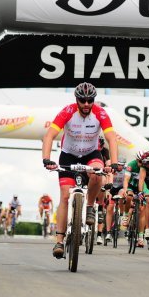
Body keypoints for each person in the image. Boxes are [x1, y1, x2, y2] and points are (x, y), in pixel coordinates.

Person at [42, 82, 120, 258]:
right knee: (64, 195)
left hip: (91, 154)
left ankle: (90, 206)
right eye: (82, 100)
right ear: (76, 99)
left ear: (94, 100)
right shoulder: (68, 111)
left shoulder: (100, 113)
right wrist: (46, 159)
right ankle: (59, 241)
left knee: (97, 172)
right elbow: (49, 135)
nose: (86, 104)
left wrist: (113, 163)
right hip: (68, 155)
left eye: (90, 100)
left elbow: (111, 138)